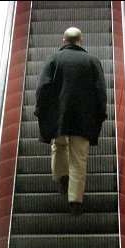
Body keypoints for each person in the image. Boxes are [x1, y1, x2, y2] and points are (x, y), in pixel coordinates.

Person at [34, 27, 107, 216]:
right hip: (84, 118)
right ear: (81, 40)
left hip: (58, 115)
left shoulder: (53, 59)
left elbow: (42, 88)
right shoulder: (92, 61)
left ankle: (61, 177)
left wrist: (41, 110)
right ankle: (75, 201)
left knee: (58, 146)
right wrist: (100, 114)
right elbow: (100, 92)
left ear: (64, 41)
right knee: (79, 158)